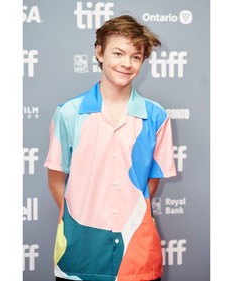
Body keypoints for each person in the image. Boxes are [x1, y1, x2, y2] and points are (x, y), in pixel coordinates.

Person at [44, 15, 177, 281]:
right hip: (78, 255)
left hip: (137, 257)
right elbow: (57, 179)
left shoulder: (157, 117)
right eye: (118, 53)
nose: (127, 64)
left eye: (136, 57)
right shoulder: (69, 113)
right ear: (100, 52)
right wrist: (85, 214)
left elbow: (151, 182)